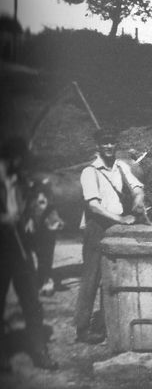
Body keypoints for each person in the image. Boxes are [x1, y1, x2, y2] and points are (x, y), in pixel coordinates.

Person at [75, 128, 146, 344]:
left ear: (116, 145)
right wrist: (121, 219)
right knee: (91, 277)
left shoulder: (121, 166)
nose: (108, 146)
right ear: (97, 146)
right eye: (104, 143)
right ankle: (82, 328)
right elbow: (94, 207)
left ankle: (108, 324)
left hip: (116, 226)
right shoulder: (90, 171)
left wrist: (138, 199)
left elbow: (137, 186)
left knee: (113, 276)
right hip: (98, 227)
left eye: (112, 142)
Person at [0, 137, 58, 371]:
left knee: (32, 303)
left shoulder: (22, 181)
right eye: (21, 160)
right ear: (12, 159)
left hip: (21, 251)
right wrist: (4, 220)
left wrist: (29, 220)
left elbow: (30, 208)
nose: (24, 166)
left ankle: (39, 352)